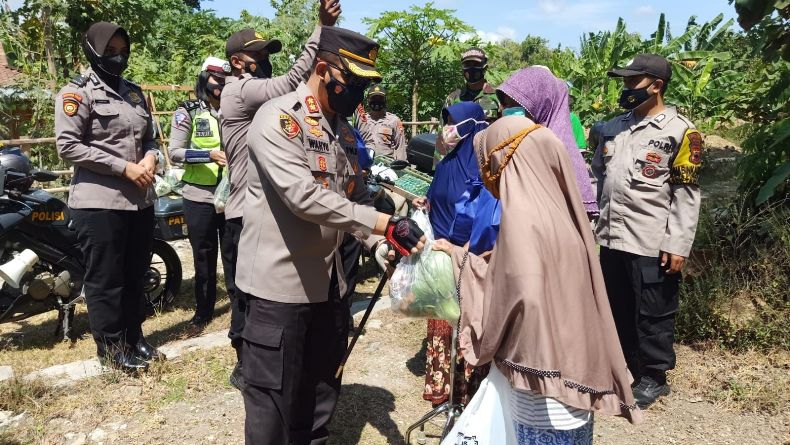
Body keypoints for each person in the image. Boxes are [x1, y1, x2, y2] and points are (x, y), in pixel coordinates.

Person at [236, 26, 425, 444]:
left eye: (364, 86)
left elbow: (354, 196)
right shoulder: (279, 119)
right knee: (273, 409)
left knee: (320, 394)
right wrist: (384, 224)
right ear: (323, 69)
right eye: (352, 83)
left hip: (329, 286)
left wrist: (379, 244)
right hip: (280, 290)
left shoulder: (343, 130)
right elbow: (303, 198)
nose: (358, 94)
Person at [433, 115, 643, 443]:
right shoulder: (561, 214)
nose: (486, 173)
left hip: (540, 392)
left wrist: (459, 260)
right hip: (576, 379)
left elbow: (522, 295)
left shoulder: (523, 219)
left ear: (505, 161)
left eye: (488, 163)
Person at [219, 0, 340, 391]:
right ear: (238, 62)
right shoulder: (239, 91)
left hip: (264, 207)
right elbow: (290, 83)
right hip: (244, 210)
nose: (264, 62)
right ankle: (248, 368)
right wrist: (320, 29)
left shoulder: (261, 99)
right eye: (258, 57)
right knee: (249, 298)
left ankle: (270, 365)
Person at [592, 54, 702, 408]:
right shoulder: (612, 127)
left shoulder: (680, 131)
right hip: (612, 236)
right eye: (624, 81)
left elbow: (686, 193)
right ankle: (625, 367)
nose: (626, 88)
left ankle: (654, 376)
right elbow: (599, 177)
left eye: (632, 81)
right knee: (617, 305)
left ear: (656, 86)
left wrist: (678, 244)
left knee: (654, 310)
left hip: (651, 239)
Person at [55, 22, 164, 372]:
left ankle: (135, 338)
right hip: (99, 202)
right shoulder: (77, 93)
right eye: (110, 52)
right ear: (92, 51)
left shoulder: (134, 93)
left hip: (139, 200)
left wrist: (151, 158)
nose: (118, 58)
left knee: (135, 274)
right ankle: (113, 350)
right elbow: (68, 146)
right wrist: (123, 167)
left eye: (123, 51)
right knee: (106, 280)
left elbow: (149, 137)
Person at [412, 102, 498, 407]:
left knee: (471, 327)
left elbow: (490, 216)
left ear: (472, 125)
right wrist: (426, 203)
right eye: (446, 121)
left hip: (472, 262)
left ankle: (470, 398)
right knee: (443, 325)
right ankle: (443, 393)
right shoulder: (448, 161)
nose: (448, 128)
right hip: (441, 260)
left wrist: (463, 252)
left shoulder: (487, 165)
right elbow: (439, 196)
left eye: (453, 122)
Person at [168, 57, 233, 328]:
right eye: (217, 80)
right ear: (205, 79)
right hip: (198, 196)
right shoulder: (189, 112)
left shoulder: (234, 109)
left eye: (226, 80)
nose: (222, 85)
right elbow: (174, 152)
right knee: (203, 256)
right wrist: (209, 155)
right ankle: (204, 311)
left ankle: (240, 308)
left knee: (233, 253)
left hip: (230, 196)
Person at [495, 67, 599, 219]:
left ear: (542, 106)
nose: (506, 111)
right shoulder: (511, 142)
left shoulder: (558, 151)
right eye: (506, 104)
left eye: (516, 105)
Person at [433, 47, 501, 168]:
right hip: (458, 165)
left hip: (487, 165)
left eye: (476, 64)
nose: (471, 68)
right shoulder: (453, 98)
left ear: (485, 67)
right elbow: (442, 136)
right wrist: (439, 168)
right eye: (467, 64)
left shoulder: (498, 97)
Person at [355, 84, 407, 160]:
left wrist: (401, 165)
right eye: (373, 98)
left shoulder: (394, 121)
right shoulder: (362, 120)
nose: (377, 101)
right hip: (365, 162)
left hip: (386, 164)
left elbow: (400, 147)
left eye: (380, 98)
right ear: (368, 100)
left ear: (385, 100)